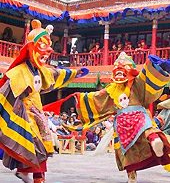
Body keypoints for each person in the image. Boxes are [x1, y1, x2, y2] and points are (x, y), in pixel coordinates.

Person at [0, 19, 88, 183]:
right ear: (31, 47)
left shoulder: (41, 72)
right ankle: (35, 177)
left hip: (38, 114)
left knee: (42, 147)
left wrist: (75, 73)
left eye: (49, 47)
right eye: (42, 46)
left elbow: (57, 74)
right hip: (24, 116)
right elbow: (3, 95)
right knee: (35, 145)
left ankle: (29, 174)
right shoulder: (18, 72)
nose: (47, 51)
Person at [64, 52, 170, 183]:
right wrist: (157, 68)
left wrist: (81, 98)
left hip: (122, 122)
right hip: (137, 117)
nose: (120, 75)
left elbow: (96, 98)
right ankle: (154, 142)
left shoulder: (130, 84)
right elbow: (147, 79)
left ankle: (132, 175)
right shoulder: (118, 88)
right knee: (147, 131)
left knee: (126, 151)